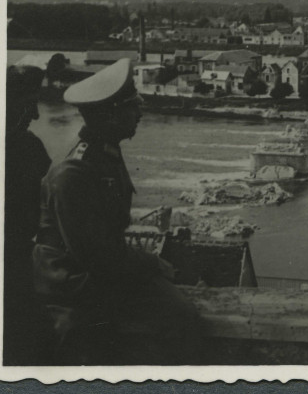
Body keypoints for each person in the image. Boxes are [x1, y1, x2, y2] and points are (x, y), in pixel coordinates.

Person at [32, 59, 201, 365]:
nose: (139, 112)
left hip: (95, 272)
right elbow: (97, 254)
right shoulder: (74, 171)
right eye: (132, 105)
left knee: (180, 312)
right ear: (109, 114)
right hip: (73, 286)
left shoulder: (104, 152)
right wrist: (152, 264)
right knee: (180, 317)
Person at [3, 65, 53, 365]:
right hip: (14, 276)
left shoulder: (29, 147)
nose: (35, 114)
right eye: (27, 103)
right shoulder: (27, 148)